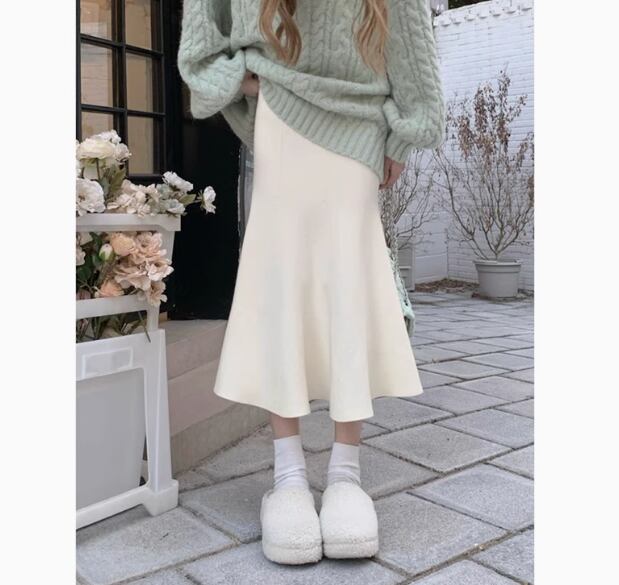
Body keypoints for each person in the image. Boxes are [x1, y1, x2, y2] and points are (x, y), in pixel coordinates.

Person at [178, 0, 444, 565]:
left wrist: (402, 134)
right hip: (282, 113)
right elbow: (205, 29)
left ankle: (346, 474)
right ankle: (289, 475)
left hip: (361, 121)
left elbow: (409, 29)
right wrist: (241, 76)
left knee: (350, 282)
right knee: (283, 280)